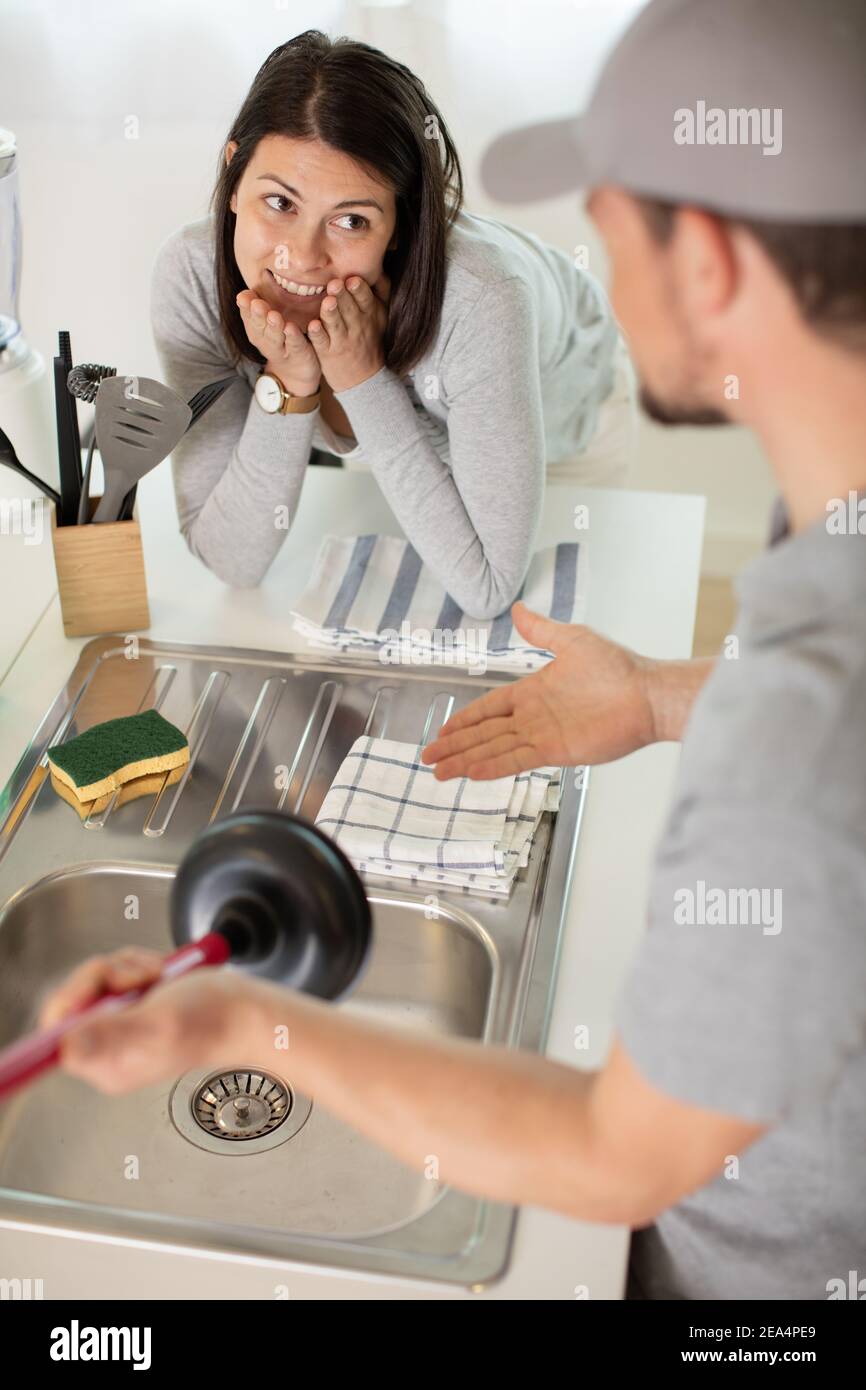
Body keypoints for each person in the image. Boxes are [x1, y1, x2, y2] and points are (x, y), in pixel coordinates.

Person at [41, 0, 865, 1300]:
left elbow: (613, 1156)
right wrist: (657, 692)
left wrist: (232, 1020)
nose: (308, 251)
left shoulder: (795, 716)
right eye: (275, 203)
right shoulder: (821, 563)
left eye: (611, 207)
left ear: (701, 263)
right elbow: (236, 547)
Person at [150, 29, 634, 619]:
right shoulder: (193, 277)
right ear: (234, 175)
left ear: (400, 224)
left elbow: (487, 588)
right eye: (279, 203)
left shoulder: (483, 301)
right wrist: (290, 382)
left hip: (566, 415)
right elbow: (232, 561)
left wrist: (360, 377)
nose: (302, 257)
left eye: (350, 220)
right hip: (404, 440)